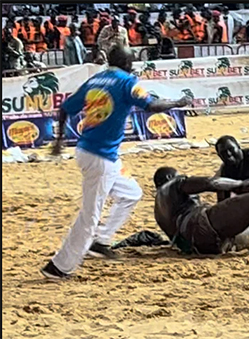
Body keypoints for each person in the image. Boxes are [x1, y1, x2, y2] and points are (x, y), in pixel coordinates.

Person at [40, 45, 192, 280]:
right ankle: (59, 266)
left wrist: (59, 140)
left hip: (95, 153)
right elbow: (151, 105)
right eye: (131, 60)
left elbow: (65, 109)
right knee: (90, 215)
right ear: (127, 63)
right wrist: (179, 103)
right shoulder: (127, 81)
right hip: (100, 157)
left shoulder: (96, 80)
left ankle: (101, 240)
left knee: (132, 193)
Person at [153, 167, 249, 256]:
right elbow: (211, 183)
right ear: (169, 178)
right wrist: (242, 184)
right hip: (199, 223)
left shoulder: (158, 211)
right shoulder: (173, 184)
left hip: (198, 246)